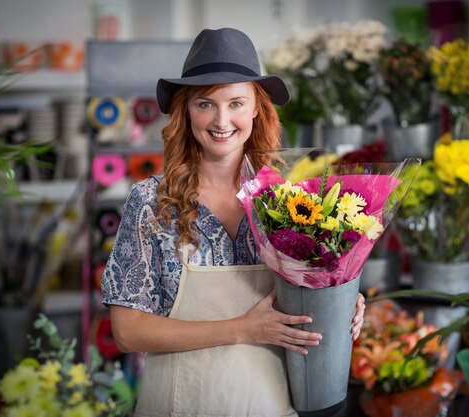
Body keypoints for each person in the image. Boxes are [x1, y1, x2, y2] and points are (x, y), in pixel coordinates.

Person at [102, 27, 366, 417]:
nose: (221, 120)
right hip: (177, 406)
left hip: (269, 404)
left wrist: (340, 300)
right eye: (205, 104)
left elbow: (305, 303)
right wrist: (244, 328)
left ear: (257, 108)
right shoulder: (152, 202)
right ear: (186, 110)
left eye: (236, 103)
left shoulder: (288, 201)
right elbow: (127, 332)